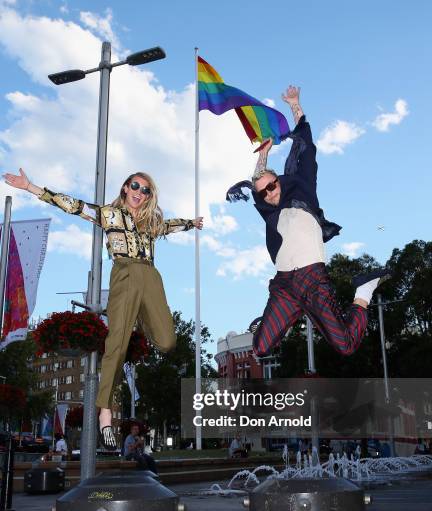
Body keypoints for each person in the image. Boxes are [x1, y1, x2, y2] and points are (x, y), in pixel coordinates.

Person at [4, 169, 203, 449]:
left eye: (146, 190)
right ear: (125, 188)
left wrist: (192, 223)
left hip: (151, 277)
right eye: (135, 186)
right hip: (123, 273)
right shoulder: (109, 214)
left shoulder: (151, 221)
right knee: (116, 342)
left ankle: (135, 320)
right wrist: (31, 187)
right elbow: (73, 205)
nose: (140, 192)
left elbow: (171, 225)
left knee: (168, 342)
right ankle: (105, 411)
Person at [230, 86, 390, 358]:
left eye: (273, 186)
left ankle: (364, 289)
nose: (270, 193)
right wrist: (263, 153)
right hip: (283, 286)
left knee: (345, 345)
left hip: (312, 278)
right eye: (264, 193)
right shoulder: (270, 212)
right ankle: (287, 320)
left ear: (280, 181)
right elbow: (258, 177)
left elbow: (306, 144)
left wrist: (295, 104)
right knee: (260, 347)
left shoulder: (303, 190)